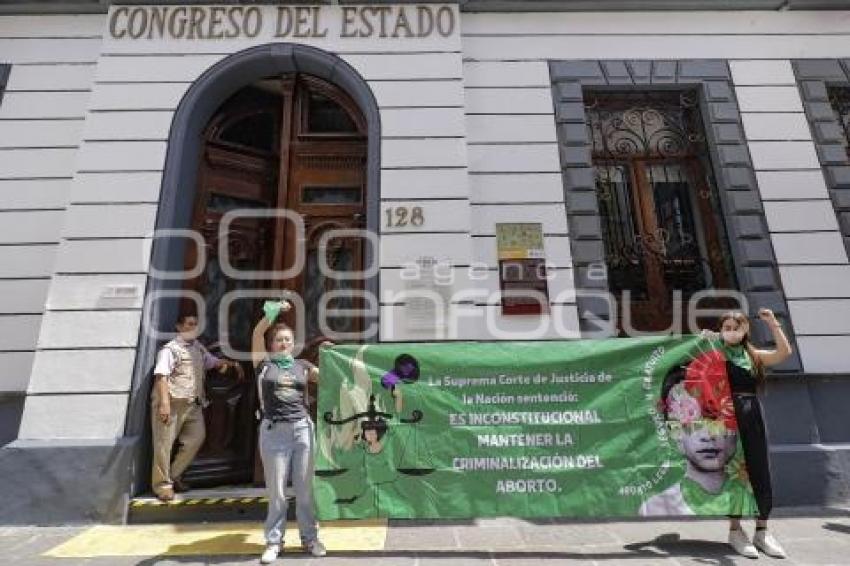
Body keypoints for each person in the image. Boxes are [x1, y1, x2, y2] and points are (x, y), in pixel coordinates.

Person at [702, 308, 792, 559]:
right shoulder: (715, 352)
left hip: (752, 416)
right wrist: (702, 340)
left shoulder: (752, 355)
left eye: (736, 327)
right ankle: (735, 531)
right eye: (727, 328)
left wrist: (774, 324)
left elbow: (784, 353)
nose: (731, 332)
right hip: (726, 418)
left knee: (759, 470)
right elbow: (687, 363)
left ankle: (762, 532)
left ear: (745, 330)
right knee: (733, 472)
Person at [252, 300, 328, 563]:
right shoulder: (263, 365)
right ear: (272, 344)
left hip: (302, 430)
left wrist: (333, 356)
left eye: (288, 339)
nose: (284, 343)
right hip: (274, 433)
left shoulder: (303, 366)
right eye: (279, 340)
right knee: (277, 492)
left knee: (305, 490)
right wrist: (271, 314)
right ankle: (274, 542)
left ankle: (310, 539)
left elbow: (330, 376)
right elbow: (257, 333)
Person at [640, 355, 752, 517]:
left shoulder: (752, 499)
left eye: (717, 419)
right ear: (673, 431)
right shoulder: (655, 508)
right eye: (692, 421)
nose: (708, 436)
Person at [151, 311, 241, 502]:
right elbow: (161, 376)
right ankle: (162, 486)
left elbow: (211, 362)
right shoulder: (170, 349)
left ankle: (174, 475)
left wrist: (229, 364)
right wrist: (164, 404)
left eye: (196, 325)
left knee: (196, 439)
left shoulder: (197, 348)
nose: (193, 328)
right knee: (164, 445)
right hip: (172, 403)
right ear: (179, 327)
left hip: (193, 404)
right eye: (189, 324)